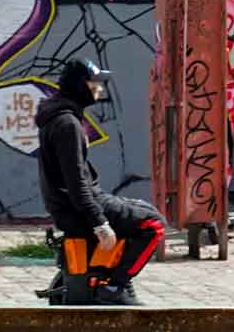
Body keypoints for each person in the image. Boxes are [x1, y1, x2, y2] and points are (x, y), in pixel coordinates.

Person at [36, 58, 166, 306]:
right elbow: (76, 183)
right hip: (74, 207)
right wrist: (99, 222)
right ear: (79, 85)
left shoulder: (58, 118)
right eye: (94, 83)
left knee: (143, 209)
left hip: (68, 204)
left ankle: (111, 275)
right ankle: (115, 286)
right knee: (153, 224)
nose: (99, 89)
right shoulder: (67, 125)